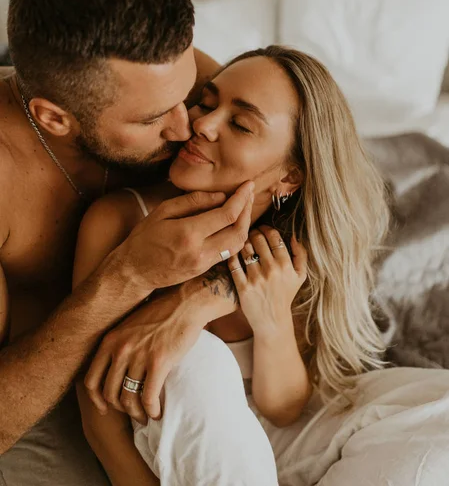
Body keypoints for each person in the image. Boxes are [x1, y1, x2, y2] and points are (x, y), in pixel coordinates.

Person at [72, 45, 413, 485]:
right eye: (207, 103)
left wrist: (270, 320)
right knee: (199, 358)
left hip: (278, 453)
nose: (202, 124)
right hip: (161, 466)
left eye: (240, 124)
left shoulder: (288, 252)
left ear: (290, 175)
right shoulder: (117, 222)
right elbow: (98, 417)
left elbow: (284, 408)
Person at [0, 0, 255, 485]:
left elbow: (302, 178)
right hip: (29, 410)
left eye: (190, 95)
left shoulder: (167, 82)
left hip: (173, 362)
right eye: (153, 120)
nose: (189, 128)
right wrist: (130, 277)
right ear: (54, 118)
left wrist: (196, 299)